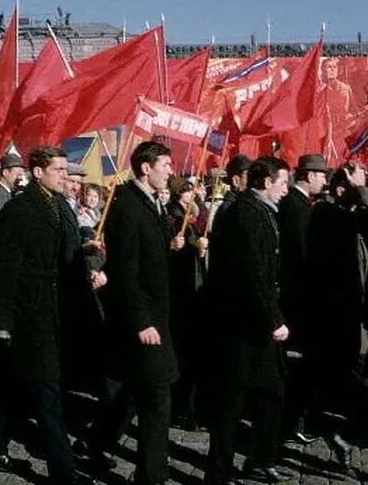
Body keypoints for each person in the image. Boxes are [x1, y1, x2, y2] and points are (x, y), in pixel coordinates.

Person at [0, 146, 99, 485]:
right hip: (29, 310)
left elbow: (69, 250)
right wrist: (2, 321)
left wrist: (88, 258)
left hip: (58, 308)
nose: (66, 176)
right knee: (47, 389)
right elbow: (3, 269)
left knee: (19, 386)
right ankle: (62, 470)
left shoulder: (62, 205)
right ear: (37, 172)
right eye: (59, 170)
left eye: (67, 170)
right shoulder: (19, 210)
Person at [204, 156, 292, 485]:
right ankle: (218, 473)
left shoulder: (259, 211)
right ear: (266, 183)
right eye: (282, 183)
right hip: (242, 327)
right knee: (231, 404)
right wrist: (273, 319)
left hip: (256, 325)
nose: (286, 189)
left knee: (272, 393)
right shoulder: (247, 214)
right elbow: (254, 274)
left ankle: (260, 459)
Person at [104, 141, 182, 485]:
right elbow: (124, 270)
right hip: (144, 320)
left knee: (138, 390)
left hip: (158, 314)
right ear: (146, 168)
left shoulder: (152, 203)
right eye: (165, 164)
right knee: (157, 396)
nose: (171, 171)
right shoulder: (128, 207)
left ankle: (98, 442)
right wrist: (142, 321)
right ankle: (152, 476)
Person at [300, 162, 368, 470]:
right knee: (363, 382)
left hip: (352, 315)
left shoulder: (348, 219)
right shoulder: (327, 215)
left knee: (324, 378)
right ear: (341, 190)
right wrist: (363, 189)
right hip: (338, 316)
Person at [279, 154, 329, 444]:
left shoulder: (300, 205)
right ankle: (288, 426)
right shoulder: (297, 208)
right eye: (321, 175)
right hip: (296, 299)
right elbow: (299, 256)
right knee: (295, 368)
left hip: (296, 297)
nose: (323, 180)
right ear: (309, 176)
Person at [165, 176, 208, 429]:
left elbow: (201, 220)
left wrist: (200, 247)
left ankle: (186, 408)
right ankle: (181, 409)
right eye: (188, 190)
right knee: (183, 353)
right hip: (179, 292)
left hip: (192, 288)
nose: (193, 194)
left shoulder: (189, 214)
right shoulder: (174, 216)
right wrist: (187, 247)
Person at [0, 153, 24, 222]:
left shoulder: (14, 192)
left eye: (21, 176)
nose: (20, 179)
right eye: (18, 175)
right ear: (5, 172)